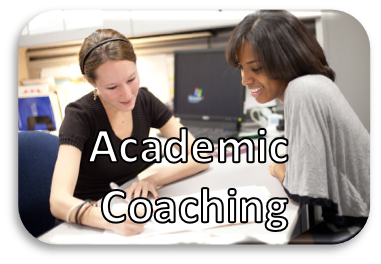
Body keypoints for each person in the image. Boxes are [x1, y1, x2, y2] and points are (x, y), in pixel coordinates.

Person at [226, 9, 370, 244]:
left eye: (256, 68)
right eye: (242, 68)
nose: (244, 79)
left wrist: (277, 169)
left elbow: (302, 189)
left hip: (354, 223)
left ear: (286, 59)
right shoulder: (312, 84)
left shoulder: (301, 91)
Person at [50, 29, 209, 236]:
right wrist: (110, 219)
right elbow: (58, 201)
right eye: (112, 86)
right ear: (92, 83)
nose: (127, 94)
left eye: (131, 79)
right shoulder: (80, 116)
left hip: (126, 208)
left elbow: (200, 155)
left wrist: (153, 180)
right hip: (86, 224)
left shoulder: (144, 100)